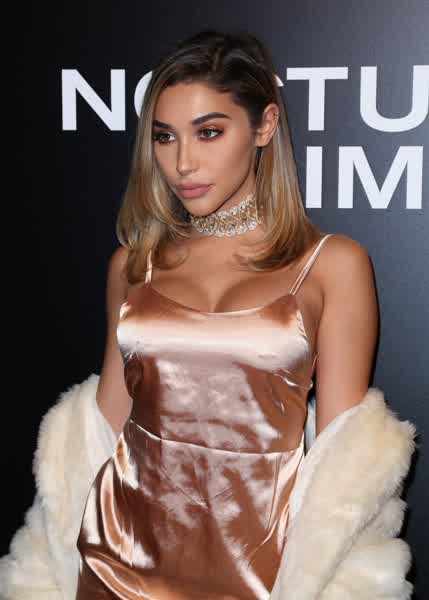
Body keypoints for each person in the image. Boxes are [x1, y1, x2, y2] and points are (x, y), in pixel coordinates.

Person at [1, 30, 417, 600]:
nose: (182, 163)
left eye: (210, 132)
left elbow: (344, 459)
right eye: (164, 137)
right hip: (117, 560)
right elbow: (101, 426)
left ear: (265, 126)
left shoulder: (332, 264)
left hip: (262, 570)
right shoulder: (134, 265)